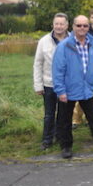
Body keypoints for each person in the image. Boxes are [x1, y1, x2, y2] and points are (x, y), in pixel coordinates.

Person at [53, 15, 93, 159]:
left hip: (87, 89)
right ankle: (66, 146)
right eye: (79, 26)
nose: (82, 28)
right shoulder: (64, 46)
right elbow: (58, 70)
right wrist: (61, 90)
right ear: (73, 27)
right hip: (68, 90)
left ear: (88, 27)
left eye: (85, 26)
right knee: (65, 120)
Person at [33, 12, 69, 150]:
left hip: (66, 85)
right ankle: (47, 140)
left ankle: (60, 137)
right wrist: (38, 85)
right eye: (56, 23)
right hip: (49, 84)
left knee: (63, 114)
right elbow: (38, 63)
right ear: (53, 25)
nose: (59, 26)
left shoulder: (73, 40)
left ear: (66, 25)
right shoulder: (44, 41)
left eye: (61, 24)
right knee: (49, 114)